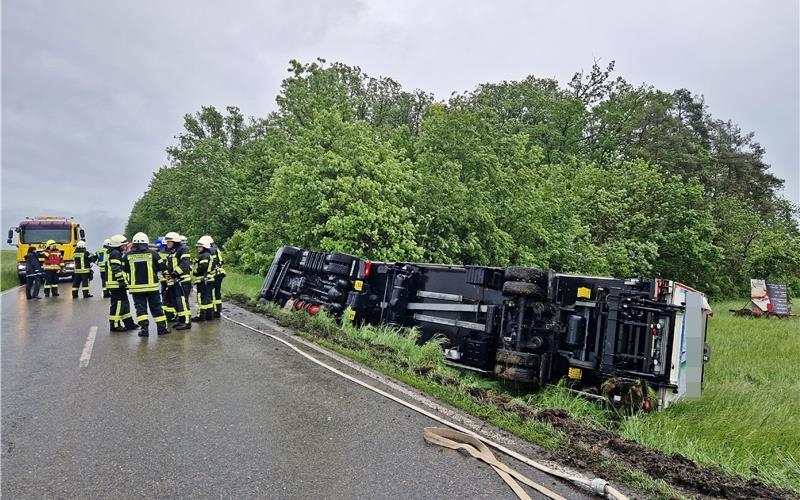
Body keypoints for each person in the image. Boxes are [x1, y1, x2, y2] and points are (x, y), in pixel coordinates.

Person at [123, 232, 169, 337]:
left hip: (137, 289)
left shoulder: (127, 256)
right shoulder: (153, 254)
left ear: (134, 243)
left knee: (141, 310)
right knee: (157, 308)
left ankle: (144, 330)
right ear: (146, 242)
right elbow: (163, 268)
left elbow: (124, 269)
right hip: (152, 288)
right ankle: (162, 329)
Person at [106, 234, 138, 332]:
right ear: (118, 245)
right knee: (118, 304)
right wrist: (121, 281)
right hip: (116, 284)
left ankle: (129, 324)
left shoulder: (113, 252)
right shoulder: (115, 253)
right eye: (124, 245)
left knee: (124, 303)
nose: (125, 247)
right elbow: (116, 269)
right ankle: (115, 325)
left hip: (116, 284)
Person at [164, 232, 192, 330]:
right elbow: (170, 265)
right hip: (175, 281)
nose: (167, 243)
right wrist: (167, 273)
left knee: (183, 302)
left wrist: (174, 273)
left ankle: (187, 322)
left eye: (169, 241)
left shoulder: (183, 249)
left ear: (175, 241)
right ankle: (181, 320)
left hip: (182, 280)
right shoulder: (172, 251)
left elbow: (185, 264)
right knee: (177, 303)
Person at [192, 237, 216, 322]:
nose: (198, 248)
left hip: (203, 280)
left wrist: (195, 272)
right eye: (197, 247)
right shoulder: (208, 255)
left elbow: (202, 268)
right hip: (209, 280)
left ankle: (200, 316)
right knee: (208, 298)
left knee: (201, 298)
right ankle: (209, 315)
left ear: (204, 247)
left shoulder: (204, 256)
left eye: (200, 247)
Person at [207, 236, 226, 318]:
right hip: (220, 273)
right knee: (217, 293)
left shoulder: (211, 250)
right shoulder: (216, 248)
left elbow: (211, 263)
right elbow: (221, 261)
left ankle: (212, 311)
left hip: (215, 274)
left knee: (209, 292)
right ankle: (218, 311)